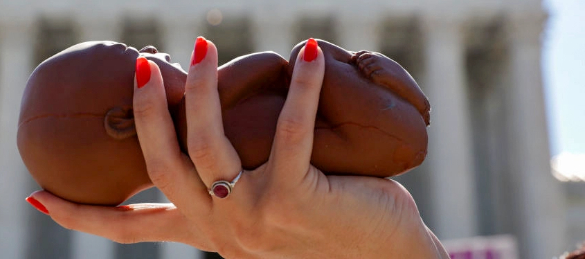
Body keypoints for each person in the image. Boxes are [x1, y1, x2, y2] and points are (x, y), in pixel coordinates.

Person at [26, 38, 450, 258]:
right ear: (122, 121)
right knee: (317, 60)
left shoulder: (206, 149)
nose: (154, 50)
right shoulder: (202, 111)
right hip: (372, 127)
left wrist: (397, 248)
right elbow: (269, 65)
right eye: (137, 54)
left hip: (372, 132)